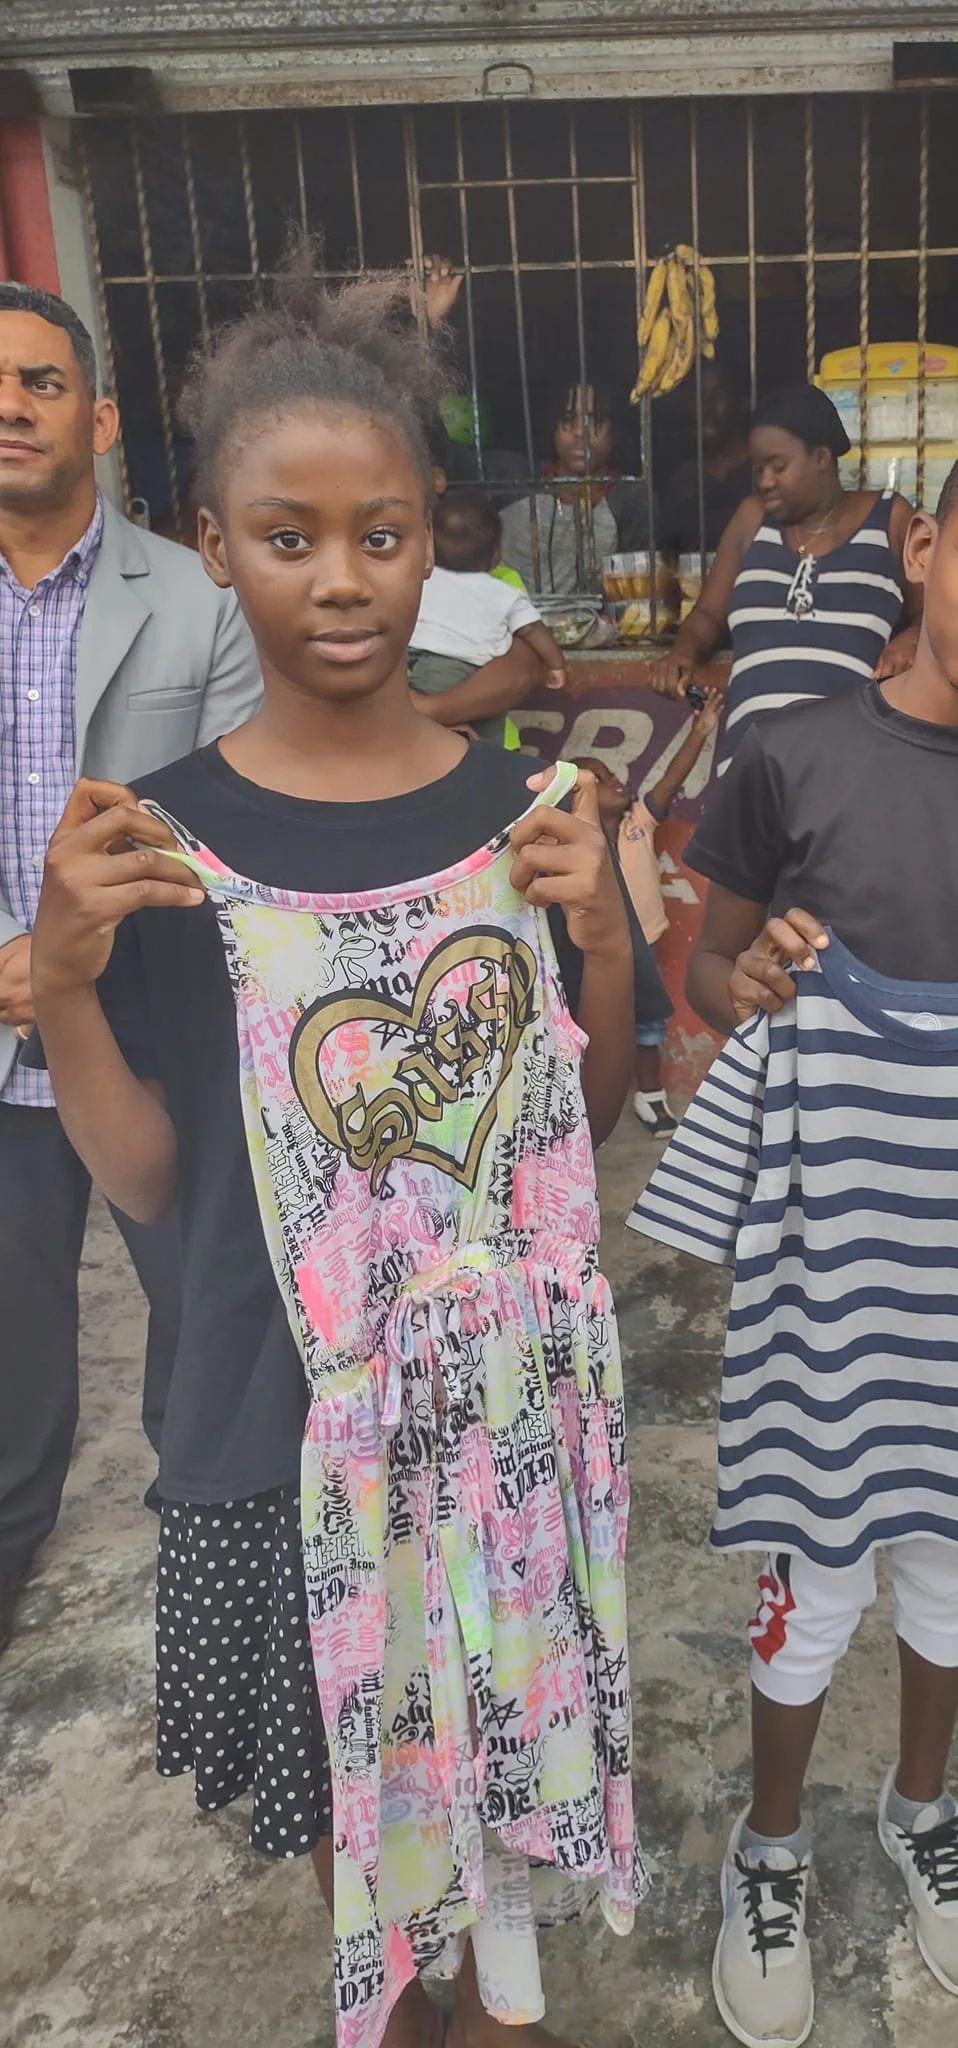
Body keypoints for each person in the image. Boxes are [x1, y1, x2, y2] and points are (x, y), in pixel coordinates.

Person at [29, 263, 648, 2048]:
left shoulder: (523, 809)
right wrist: (64, 985)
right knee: (352, 1792)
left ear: (431, 542)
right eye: (287, 534)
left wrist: (602, 935)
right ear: (211, 542)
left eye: (380, 532)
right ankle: (419, 1999)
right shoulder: (159, 847)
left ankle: (498, 1998)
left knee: (509, 1772)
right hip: (270, 1420)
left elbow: (574, 1136)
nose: (341, 577)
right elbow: (148, 1182)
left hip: (503, 1420)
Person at [647, 413, 958, 2048]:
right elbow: (713, 971)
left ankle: (919, 1809)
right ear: (921, 548)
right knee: (818, 1565)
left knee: (952, 1557)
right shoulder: (793, 755)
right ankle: (770, 1837)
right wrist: (754, 982)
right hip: (830, 1256)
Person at [0, 281, 261, 1656]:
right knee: (9, 1356)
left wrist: (61, 962)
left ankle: (210, 1574)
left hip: (153, 1033)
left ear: (95, 416)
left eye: (41, 381)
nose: (10, 405)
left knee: (202, 1328)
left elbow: (225, 813)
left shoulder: (197, 595)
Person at [650, 384, 921, 770]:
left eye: (778, 467)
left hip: (847, 771)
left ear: (821, 457)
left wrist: (912, 639)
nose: (765, 481)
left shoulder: (889, 519)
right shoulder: (750, 519)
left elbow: (935, 613)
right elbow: (708, 615)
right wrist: (682, 653)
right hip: (748, 769)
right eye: (758, 469)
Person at [578, 685, 723, 1136]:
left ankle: (650, 1096)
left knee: (648, 1025)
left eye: (612, 772)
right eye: (600, 779)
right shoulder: (574, 844)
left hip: (644, 946)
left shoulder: (637, 824)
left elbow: (673, 777)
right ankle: (582, 1102)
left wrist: (700, 731)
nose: (615, 779)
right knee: (590, 1028)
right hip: (596, 958)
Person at [408, 489, 569, 744]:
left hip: (425, 667)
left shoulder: (419, 581)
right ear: (496, 553)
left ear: (429, 548)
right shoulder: (504, 593)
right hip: (480, 673)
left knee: (426, 739)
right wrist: (556, 664)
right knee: (486, 742)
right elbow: (533, 630)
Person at [500, 382, 648, 597]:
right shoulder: (517, 485)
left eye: (596, 420)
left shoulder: (630, 498)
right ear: (552, 427)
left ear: (615, 431)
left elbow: (637, 594)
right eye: (568, 420)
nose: (581, 432)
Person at [656, 361, 754, 555]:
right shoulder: (683, 480)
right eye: (697, 396)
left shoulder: (763, 471)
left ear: (743, 402)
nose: (706, 407)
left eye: (718, 395)